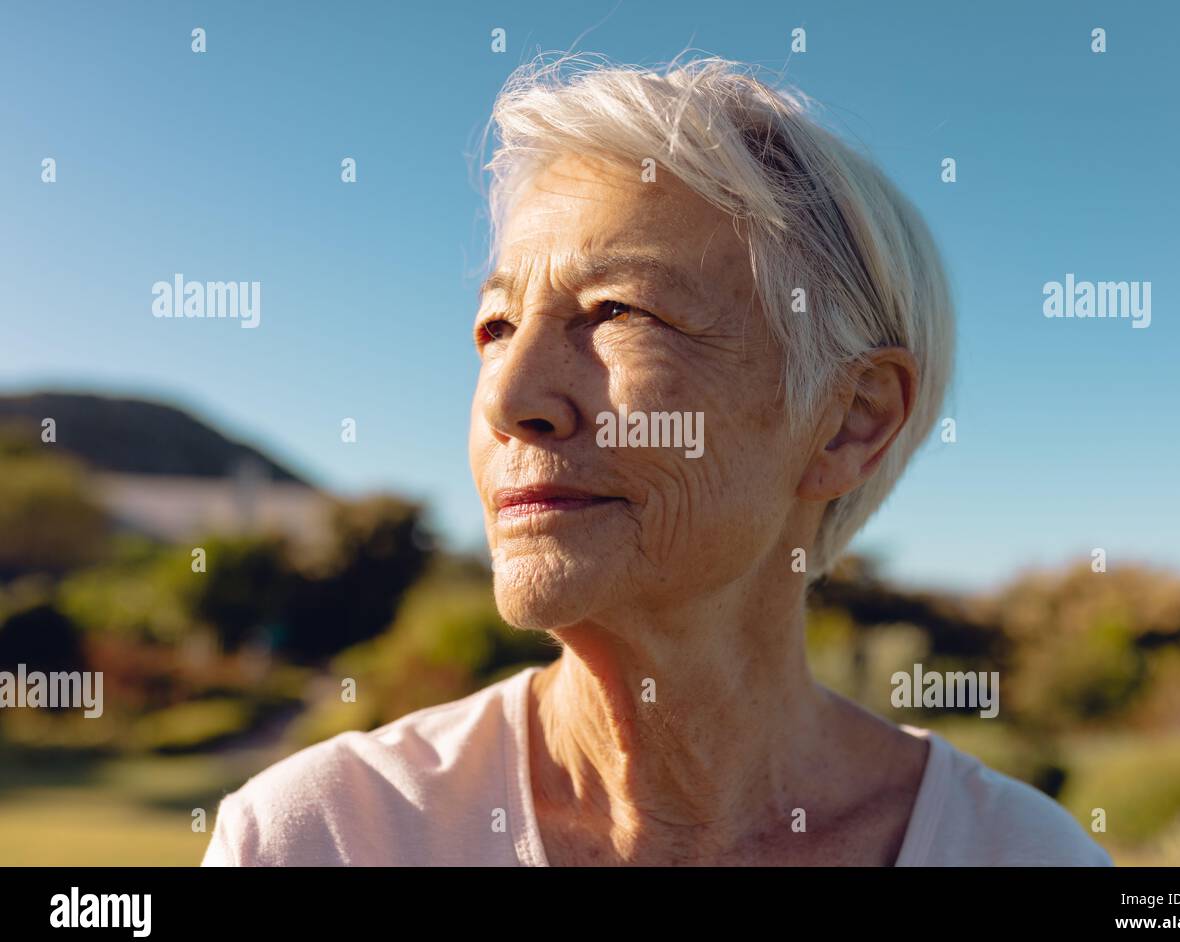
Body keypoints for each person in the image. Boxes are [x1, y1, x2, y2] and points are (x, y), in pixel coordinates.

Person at [202, 54, 1111, 867]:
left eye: (617, 312)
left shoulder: (1022, 854)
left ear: (849, 421)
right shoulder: (320, 838)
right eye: (496, 326)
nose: (510, 399)